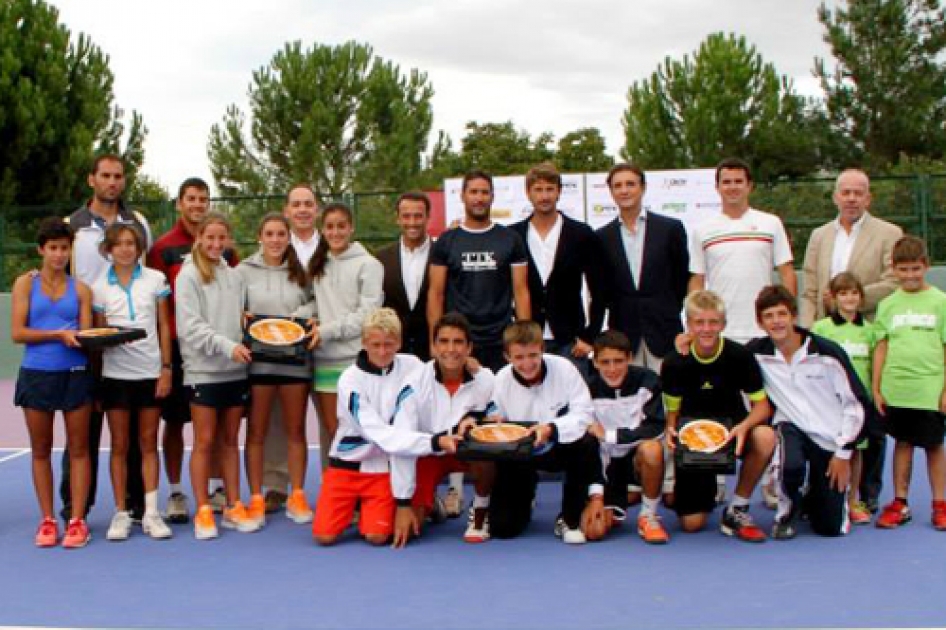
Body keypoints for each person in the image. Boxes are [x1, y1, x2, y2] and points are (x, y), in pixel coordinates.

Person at [800, 168, 902, 515]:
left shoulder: (889, 233)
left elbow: (892, 282)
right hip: (826, 336)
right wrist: (807, 330)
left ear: (869, 197)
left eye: (859, 193)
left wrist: (850, 296)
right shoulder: (819, 235)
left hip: (868, 338)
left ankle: (868, 491)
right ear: (835, 196)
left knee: (870, 416)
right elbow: (811, 286)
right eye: (846, 192)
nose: (852, 198)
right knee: (828, 414)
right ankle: (826, 487)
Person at [312, 308, 459, 546]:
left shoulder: (412, 366)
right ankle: (355, 506)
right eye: (376, 344)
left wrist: (471, 366)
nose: (382, 352)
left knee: (377, 537)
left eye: (389, 344)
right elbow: (380, 435)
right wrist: (433, 442)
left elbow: (445, 368)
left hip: (382, 469)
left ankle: (422, 502)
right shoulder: (349, 380)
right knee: (324, 537)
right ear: (364, 343)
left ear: (400, 342)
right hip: (345, 466)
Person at [63, 154, 151, 521]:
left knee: (126, 427)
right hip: (86, 340)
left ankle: (131, 502)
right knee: (83, 427)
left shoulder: (139, 222)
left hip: (130, 343)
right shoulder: (73, 226)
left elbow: (146, 273)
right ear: (91, 180)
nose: (112, 182)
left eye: (118, 176)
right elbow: (60, 269)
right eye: (105, 176)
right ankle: (76, 505)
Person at [147, 177, 240, 522]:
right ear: (179, 203)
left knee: (214, 429)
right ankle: (175, 492)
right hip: (178, 351)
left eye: (203, 199)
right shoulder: (162, 248)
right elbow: (156, 303)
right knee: (174, 424)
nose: (197, 204)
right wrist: (165, 360)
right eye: (191, 198)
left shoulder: (226, 254)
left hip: (221, 356)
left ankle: (216, 488)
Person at [750, 286, 868, 539]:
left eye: (782, 314)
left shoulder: (827, 353)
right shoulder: (756, 353)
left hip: (830, 439)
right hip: (790, 428)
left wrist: (843, 454)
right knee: (789, 464)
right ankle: (786, 514)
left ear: (793, 316)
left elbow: (855, 405)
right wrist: (688, 341)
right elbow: (721, 356)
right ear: (760, 323)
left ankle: (813, 495)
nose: (776, 321)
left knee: (829, 528)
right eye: (769, 316)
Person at [662, 290, 775, 542]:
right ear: (688, 325)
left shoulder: (740, 356)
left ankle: (737, 507)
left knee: (766, 436)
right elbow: (673, 413)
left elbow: (762, 407)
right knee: (691, 525)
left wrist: (744, 426)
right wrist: (671, 430)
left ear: (723, 324)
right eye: (699, 322)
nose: (706, 329)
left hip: (734, 433)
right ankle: (686, 492)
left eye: (713, 322)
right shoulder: (673, 363)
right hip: (694, 440)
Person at [11, 218, 94, 548]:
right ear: (41, 250)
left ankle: (76, 521)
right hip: (37, 375)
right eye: (54, 248)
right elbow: (18, 333)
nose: (59, 255)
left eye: (65, 248)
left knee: (79, 450)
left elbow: (86, 337)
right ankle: (47, 521)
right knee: (41, 450)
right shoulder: (24, 285)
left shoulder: (82, 289)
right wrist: (57, 334)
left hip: (76, 374)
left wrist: (106, 338)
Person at [486, 321, 606, 544]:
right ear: (507, 356)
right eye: (519, 357)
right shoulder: (501, 379)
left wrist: (552, 429)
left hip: (560, 447)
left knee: (587, 441)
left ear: (542, 348)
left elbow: (584, 413)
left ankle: (569, 518)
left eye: (533, 355)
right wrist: (494, 421)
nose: (527, 363)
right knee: (503, 528)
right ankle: (525, 494)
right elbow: (493, 415)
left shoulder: (566, 369)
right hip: (520, 454)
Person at [175, 212, 255, 539]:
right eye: (210, 238)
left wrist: (243, 322)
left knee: (229, 441)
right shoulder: (188, 276)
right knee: (205, 441)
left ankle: (234, 505)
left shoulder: (234, 276)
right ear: (199, 238)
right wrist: (227, 345)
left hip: (234, 371)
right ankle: (204, 510)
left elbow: (234, 316)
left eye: (222, 238)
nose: (216, 244)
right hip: (203, 371)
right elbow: (191, 328)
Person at [92, 223, 173, 541]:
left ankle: (151, 512)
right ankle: (121, 513)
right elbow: (99, 335)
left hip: (149, 373)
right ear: (109, 250)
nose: (126, 249)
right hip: (115, 376)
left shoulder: (155, 279)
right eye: (119, 244)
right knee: (120, 446)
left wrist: (165, 368)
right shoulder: (99, 286)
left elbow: (164, 326)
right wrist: (99, 375)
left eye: (131, 243)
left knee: (148, 442)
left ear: (139, 248)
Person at [389, 313, 496, 546]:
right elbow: (401, 440)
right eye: (444, 341)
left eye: (458, 342)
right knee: (412, 527)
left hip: (467, 454)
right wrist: (403, 504)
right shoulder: (414, 382)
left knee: (487, 453)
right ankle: (432, 506)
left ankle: (480, 510)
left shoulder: (486, 379)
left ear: (469, 348)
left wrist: (479, 422)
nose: (451, 349)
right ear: (434, 346)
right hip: (428, 454)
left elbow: (500, 420)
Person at [237, 213, 314, 528]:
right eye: (269, 234)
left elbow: (315, 305)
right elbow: (234, 306)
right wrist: (241, 315)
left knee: (296, 431)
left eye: (281, 234)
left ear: (288, 237)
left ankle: (296, 494)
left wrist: (300, 315)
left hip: (294, 363)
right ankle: (256, 496)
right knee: (256, 432)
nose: (275, 240)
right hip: (259, 363)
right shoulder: (243, 271)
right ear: (260, 236)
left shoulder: (301, 272)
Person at [301, 202, 384, 471]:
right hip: (325, 361)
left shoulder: (369, 264)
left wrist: (326, 331)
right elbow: (315, 304)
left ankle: (365, 495)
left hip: (356, 361)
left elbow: (367, 315)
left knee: (360, 431)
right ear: (322, 230)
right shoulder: (318, 264)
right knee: (334, 431)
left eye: (341, 226)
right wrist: (296, 318)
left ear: (351, 228)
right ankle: (340, 494)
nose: (335, 232)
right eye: (330, 227)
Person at [871, 236, 946, 531]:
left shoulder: (941, 302)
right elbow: (881, 346)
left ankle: (940, 504)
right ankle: (900, 502)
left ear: (926, 266)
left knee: (933, 446)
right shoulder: (888, 305)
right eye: (903, 269)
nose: (910, 275)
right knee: (902, 444)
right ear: (894, 269)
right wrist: (877, 388)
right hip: (897, 388)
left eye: (915, 268)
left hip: (929, 389)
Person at [427, 170, 531, 372]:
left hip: (500, 338)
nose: (479, 198)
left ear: (492, 196)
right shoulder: (446, 241)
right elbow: (435, 294)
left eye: (485, 193)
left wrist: (524, 339)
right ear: (463, 196)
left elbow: (521, 290)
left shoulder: (511, 239)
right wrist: (435, 340)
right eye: (473, 192)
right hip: (458, 341)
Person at [510, 162, 606, 375]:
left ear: (559, 192)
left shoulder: (581, 234)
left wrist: (590, 336)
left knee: (574, 404)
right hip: (527, 340)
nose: (544, 196)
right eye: (538, 189)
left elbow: (598, 290)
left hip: (571, 341)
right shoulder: (513, 235)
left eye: (550, 189)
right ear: (528, 193)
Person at [593, 162, 689, 371]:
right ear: (611, 192)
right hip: (623, 336)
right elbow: (601, 290)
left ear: (643, 188)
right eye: (617, 186)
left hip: (665, 331)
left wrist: (668, 308)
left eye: (630, 184)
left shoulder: (670, 229)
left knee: (670, 397)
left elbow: (682, 280)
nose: (624, 190)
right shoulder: (602, 237)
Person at [687, 157, 796, 343]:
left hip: (764, 328)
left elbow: (787, 273)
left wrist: (789, 318)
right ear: (717, 187)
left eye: (738, 181)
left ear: (749, 186)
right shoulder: (702, 230)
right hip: (720, 330)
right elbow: (697, 280)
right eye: (726, 182)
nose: (732, 187)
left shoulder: (771, 223)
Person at [261, 183, 321, 513]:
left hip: (322, 345)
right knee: (276, 420)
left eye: (308, 204)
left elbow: (319, 299)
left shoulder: (330, 246)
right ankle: (275, 484)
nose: (302, 209)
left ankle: (335, 480)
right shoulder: (273, 249)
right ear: (286, 210)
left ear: (316, 209)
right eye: (296, 203)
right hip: (279, 353)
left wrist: (300, 319)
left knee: (330, 421)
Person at [585, 330, 669, 544]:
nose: (612, 369)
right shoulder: (586, 388)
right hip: (606, 464)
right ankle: (619, 500)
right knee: (594, 532)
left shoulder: (648, 380)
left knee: (652, 449)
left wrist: (610, 435)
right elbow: (588, 443)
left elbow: (655, 427)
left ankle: (648, 515)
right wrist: (596, 494)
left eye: (618, 361)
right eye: (605, 362)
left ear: (630, 358)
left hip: (637, 458)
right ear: (595, 362)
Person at [811, 272, 879, 524]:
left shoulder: (870, 331)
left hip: (858, 404)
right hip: (829, 402)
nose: (849, 298)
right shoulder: (821, 329)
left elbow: (875, 367)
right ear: (834, 297)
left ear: (861, 297)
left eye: (853, 293)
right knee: (826, 449)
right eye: (843, 293)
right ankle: (820, 496)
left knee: (856, 451)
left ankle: (852, 501)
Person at [376, 192, 433, 362]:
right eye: (406, 216)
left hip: (432, 353)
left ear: (428, 217)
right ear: (398, 219)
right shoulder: (381, 258)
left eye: (418, 216)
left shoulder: (442, 255)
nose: (412, 222)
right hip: (393, 353)